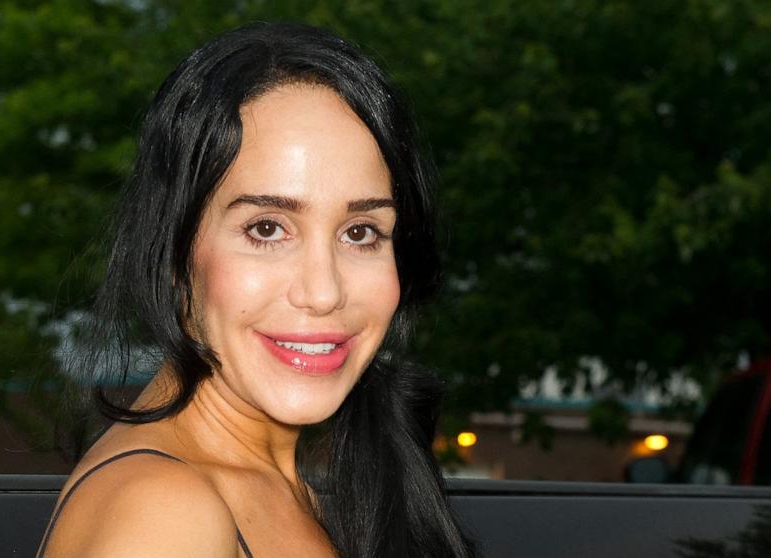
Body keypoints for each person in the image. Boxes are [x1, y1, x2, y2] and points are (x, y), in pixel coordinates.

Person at [37, 22, 471, 558]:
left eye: (360, 233)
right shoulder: (163, 513)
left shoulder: (295, 494)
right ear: (173, 250)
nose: (323, 291)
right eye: (266, 229)